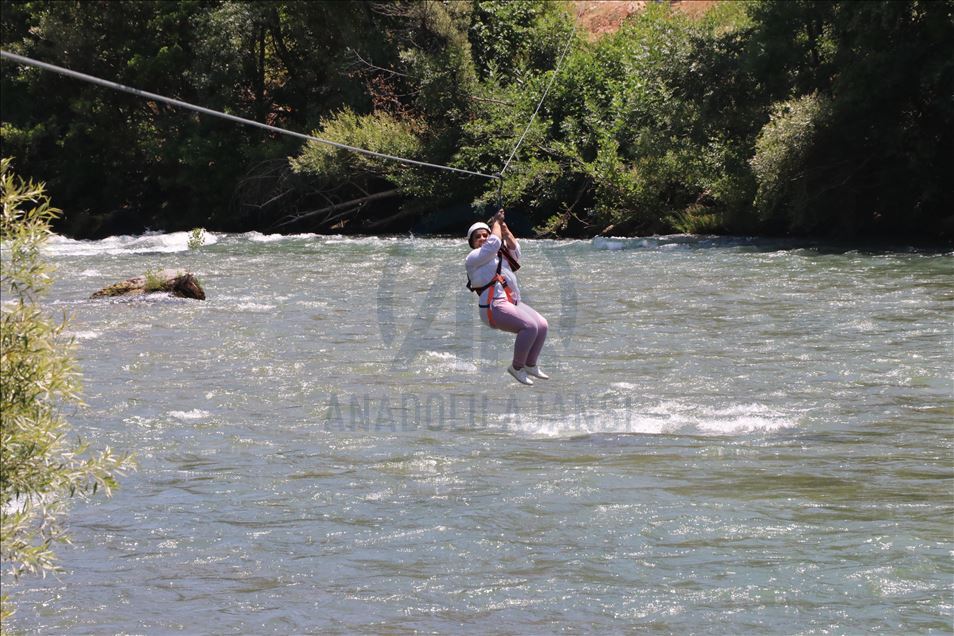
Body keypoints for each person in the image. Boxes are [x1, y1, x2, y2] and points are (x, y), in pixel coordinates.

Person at [465, 209, 549, 385]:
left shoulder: (499, 254)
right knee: (529, 327)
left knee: (541, 325)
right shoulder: (473, 258)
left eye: (485, 235)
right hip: (492, 307)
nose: (482, 239)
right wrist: (495, 222)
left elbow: (514, 248)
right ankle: (516, 367)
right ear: (472, 243)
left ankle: (530, 364)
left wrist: (503, 225)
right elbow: (493, 243)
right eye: (477, 237)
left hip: (510, 302)